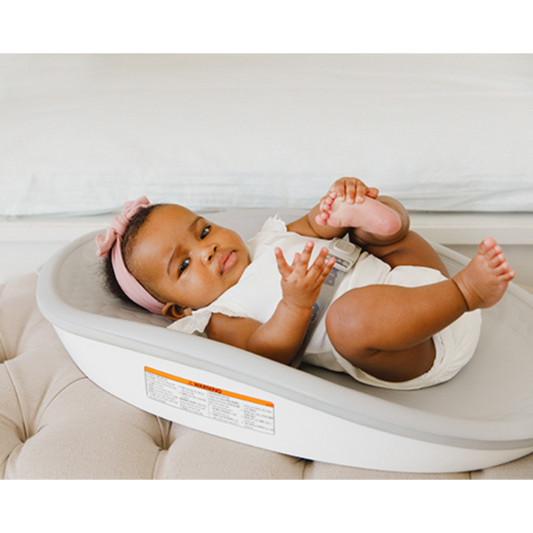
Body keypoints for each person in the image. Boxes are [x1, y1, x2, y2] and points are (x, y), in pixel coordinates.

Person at [96, 178, 515, 390]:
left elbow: (317, 224)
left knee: (369, 234)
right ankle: (469, 291)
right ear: (179, 309)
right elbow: (266, 352)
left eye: (203, 231)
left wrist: (336, 205)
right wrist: (295, 305)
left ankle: (387, 220)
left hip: (420, 283)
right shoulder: (219, 316)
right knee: (347, 320)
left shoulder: (266, 239)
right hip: (414, 348)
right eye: (184, 264)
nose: (208, 249)